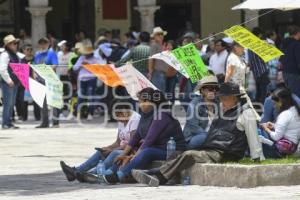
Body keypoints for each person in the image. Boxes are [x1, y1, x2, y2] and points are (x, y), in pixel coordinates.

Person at [131, 82, 264, 187]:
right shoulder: (222, 111)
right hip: (212, 149)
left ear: (234, 98)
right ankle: (160, 174)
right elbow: (213, 133)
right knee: (179, 153)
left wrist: (257, 157)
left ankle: (159, 177)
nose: (221, 101)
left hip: (226, 152)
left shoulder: (246, 113)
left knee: (189, 154)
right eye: (221, 98)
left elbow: (253, 138)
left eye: (224, 98)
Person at [97, 88, 186, 184]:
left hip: (173, 151)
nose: (139, 105)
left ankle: (119, 175)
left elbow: (149, 140)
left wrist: (133, 157)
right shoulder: (145, 114)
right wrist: (124, 154)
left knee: (147, 152)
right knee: (126, 152)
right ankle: (109, 173)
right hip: (159, 148)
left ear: (149, 102)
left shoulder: (162, 115)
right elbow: (136, 136)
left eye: (141, 102)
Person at [60, 100, 141, 182]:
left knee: (114, 153)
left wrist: (112, 149)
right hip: (122, 148)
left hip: (132, 150)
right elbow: (118, 142)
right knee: (101, 152)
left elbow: (132, 143)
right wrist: (107, 147)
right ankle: (77, 171)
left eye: (118, 115)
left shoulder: (135, 119)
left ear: (125, 112)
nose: (117, 118)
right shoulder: (122, 119)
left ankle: (88, 174)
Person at [260, 88, 300, 158]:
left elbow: (276, 137)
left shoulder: (284, 115)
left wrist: (266, 129)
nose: (275, 106)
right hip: (293, 145)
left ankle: (263, 155)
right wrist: (274, 126)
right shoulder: (294, 111)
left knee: (259, 132)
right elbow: (289, 128)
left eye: (275, 104)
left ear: (280, 102)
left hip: (284, 149)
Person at [183, 75, 219, 150]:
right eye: (210, 88)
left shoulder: (218, 104)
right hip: (193, 138)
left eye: (216, 88)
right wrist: (211, 136)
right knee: (205, 137)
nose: (214, 91)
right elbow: (193, 126)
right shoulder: (195, 103)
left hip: (211, 137)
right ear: (202, 90)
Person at [33, 37, 58, 128]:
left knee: (53, 101)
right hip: (40, 79)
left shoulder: (51, 53)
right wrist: (35, 74)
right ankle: (45, 122)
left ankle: (55, 122)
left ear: (48, 44)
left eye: (45, 43)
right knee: (42, 101)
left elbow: (55, 65)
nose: (43, 45)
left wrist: (45, 70)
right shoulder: (37, 54)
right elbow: (34, 65)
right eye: (41, 43)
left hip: (50, 79)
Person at [73, 40, 101, 120]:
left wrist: (89, 66)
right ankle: (78, 113)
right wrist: (81, 65)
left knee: (91, 97)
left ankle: (90, 113)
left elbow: (98, 69)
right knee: (80, 97)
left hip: (91, 79)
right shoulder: (81, 58)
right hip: (82, 80)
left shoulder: (95, 59)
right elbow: (75, 68)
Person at [0, 35, 22, 129]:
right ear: (8, 45)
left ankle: (8, 122)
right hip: (8, 83)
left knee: (12, 103)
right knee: (8, 103)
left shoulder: (15, 54)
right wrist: (9, 80)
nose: (16, 45)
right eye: (14, 43)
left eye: (16, 43)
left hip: (15, 83)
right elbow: (2, 69)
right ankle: (5, 123)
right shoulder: (5, 54)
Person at [247, 28, 270, 103]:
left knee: (259, 92)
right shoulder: (260, 44)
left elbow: (250, 60)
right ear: (259, 34)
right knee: (264, 92)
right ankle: (263, 108)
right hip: (262, 71)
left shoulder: (249, 46)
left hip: (256, 73)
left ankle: (257, 108)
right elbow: (266, 57)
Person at [280, 25, 300, 97]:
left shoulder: (283, 44)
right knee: (296, 95)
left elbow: (281, 58)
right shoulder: (297, 45)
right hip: (295, 73)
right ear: (297, 33)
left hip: (285, 72)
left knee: (289, 95)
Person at [148, 27, 169, 92]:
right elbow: (151, 59)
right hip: (157, 73)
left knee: (161, 93)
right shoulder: (154, 45)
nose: (160, 36)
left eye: (161, 34)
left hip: (162, 73)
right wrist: (150, 73)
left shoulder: (160, 45)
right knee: (159, 93)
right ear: (154, 36)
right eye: (158, 34)